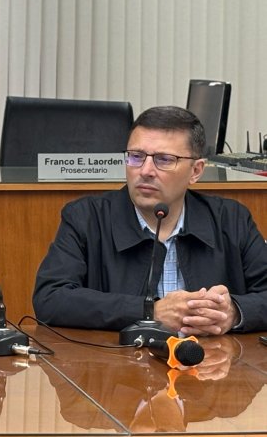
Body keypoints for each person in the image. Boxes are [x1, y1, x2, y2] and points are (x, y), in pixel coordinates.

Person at [33, 105, 267, 335]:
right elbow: (50, 298)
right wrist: (149, 311)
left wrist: (233, 312)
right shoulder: (87, 218)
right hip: (120, 359)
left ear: (196, 171)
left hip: (211, 358)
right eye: (136, 157)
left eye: (164, 159)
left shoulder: (231, 220)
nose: (145, 171)